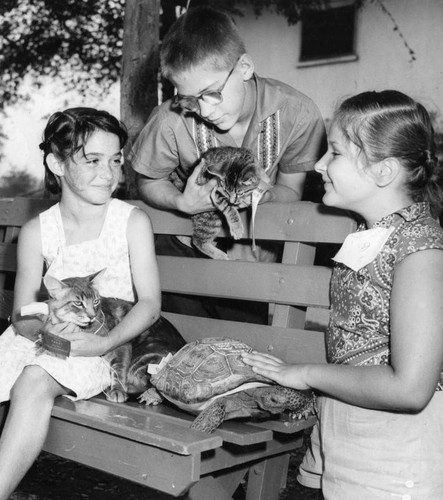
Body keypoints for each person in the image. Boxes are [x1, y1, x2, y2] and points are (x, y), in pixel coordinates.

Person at [242, 90, 443, 499]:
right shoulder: (368, 232)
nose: (318, 165)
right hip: (342, 428)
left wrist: (301, 373)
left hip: (394, 452)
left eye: (334, 153)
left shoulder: (421, 251)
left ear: (383, 171)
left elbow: (410, 388)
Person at [0, 107, 161, 499]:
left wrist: (103, 344)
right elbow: (22, 312)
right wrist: (45, 333)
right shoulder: (39, 230)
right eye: (92, 160)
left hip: (103, 346)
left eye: (116, 160)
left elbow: (150, 304)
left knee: (34, 380)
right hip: (42, 334)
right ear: (57, 163)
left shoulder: (131, 221)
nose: (109, 173)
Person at [129, 5, 326, 321]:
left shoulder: (297, 113)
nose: (204, 111)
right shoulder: (168, 120)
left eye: (212, 93)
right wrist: (181, 201)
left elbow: (291, 189)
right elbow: (148, 182)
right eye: (190, 100)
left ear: (245, 67)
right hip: (179, 254)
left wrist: (265, 197)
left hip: (251, 258)